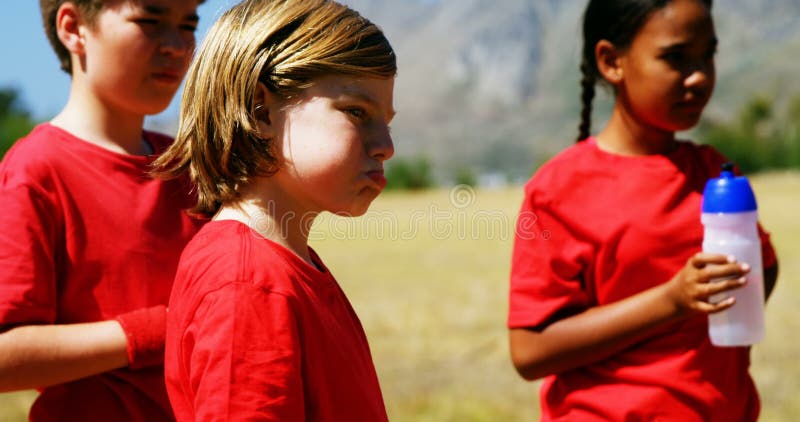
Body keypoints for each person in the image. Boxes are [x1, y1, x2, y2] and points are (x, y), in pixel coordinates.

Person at [507, 0, 779, 420]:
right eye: (676, 58)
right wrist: (672, 301)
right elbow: (530, 350)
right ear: (612, 61)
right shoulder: (556, 190)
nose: (701, 75)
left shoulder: (714, 173)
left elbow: (763, 269)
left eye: (708, 54)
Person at [153, 0, 396, 419]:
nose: (386, 147)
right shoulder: (246, 282)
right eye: (357, 113)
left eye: (387, 122)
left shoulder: (287, 265)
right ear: (261, 110)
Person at [0, 0, 204, 420]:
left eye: (189, 23)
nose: (177, 46)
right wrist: (154, 331)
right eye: (150, 20)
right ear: (73, 28)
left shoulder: (189, 168)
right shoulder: (36, 171)